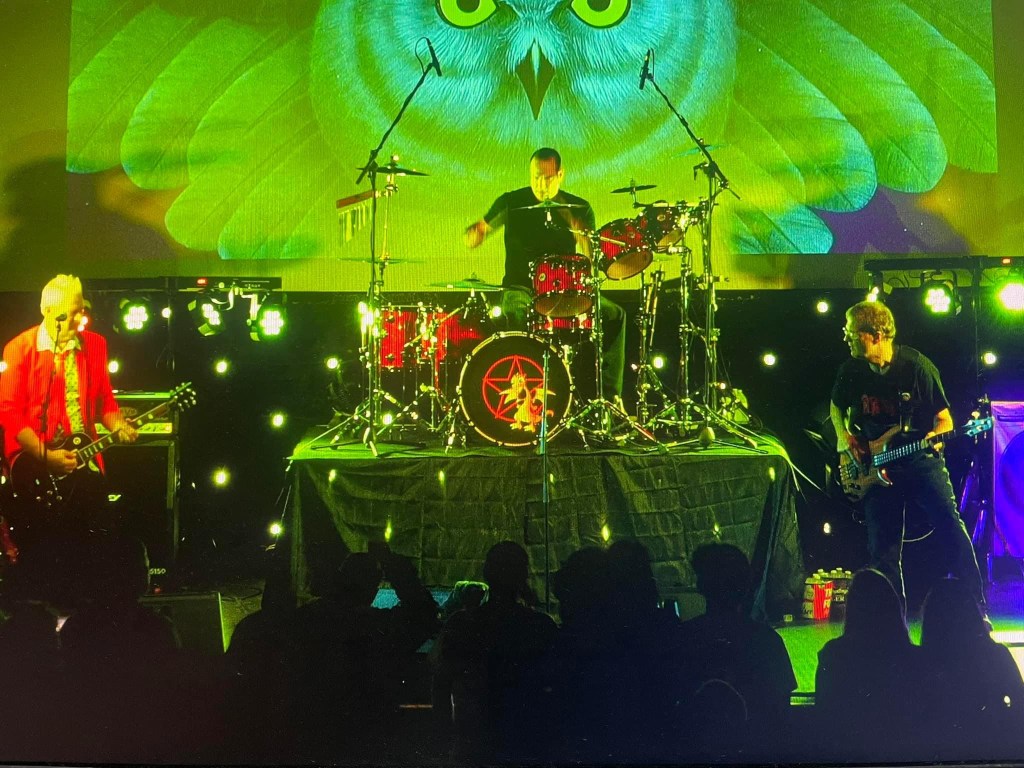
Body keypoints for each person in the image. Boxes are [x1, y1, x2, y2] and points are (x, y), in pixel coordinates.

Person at [830, 300, 985, 618]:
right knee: (882, 549)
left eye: (850, 332)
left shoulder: (916, 367)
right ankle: (891, 621)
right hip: (873, 467)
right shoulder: (851, 370)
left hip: (918, 461)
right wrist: (844, 439)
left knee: (950, 528)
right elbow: (836, 408)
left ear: (874, 334)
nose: (845, 337)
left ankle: (977, 610)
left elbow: (945, 421)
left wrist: (934, 440)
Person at [464, 147, 626, 400]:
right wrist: (476, 233)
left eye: (547, 178)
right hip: (521, 288)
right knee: (517, 312)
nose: (541, 184)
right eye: (535, 177)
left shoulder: (579, 207)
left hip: (566, 291)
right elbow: (479, 233)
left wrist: (579, 232)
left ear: (560, 175)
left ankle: (610, 399)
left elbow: (594, 259)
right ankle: (525, 392)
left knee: (615, 315)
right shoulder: (511, 202)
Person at [0, 275, 138, 564]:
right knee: (44, 550)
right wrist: (45, 455)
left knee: (92, 545)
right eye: (71, 312)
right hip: (36, 467)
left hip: (83, 460)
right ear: (48, 311)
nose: (79, 318)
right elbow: (9, 413)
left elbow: (105, 404)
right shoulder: (19, 348)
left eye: (81, 310)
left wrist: (119, 426)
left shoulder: (95, 345)